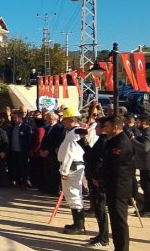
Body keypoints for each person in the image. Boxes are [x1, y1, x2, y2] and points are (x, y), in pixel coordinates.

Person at [93, 115, 134, 251]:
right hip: (113, 185)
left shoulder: (121, 142)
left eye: (108, 126)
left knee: (119, 222)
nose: (106, 129)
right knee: (116, 222)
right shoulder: (114, 141)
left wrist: (99, 177)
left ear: (115, 127)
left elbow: (113, 165)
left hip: (119, 187)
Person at [79, 117, 109, 248]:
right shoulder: (100, 141)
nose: (95, 129)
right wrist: (82, 140)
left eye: (97, 127)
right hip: (93, 177)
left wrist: (97, 177)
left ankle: (104, 239)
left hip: (98, 180)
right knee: (97, 209)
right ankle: (101, 235)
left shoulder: (104, 141)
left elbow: (94, 158)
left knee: (100, 209)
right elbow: (90, 154)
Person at [57, 105, 86, 234]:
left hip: (72, 167)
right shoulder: (72, 132)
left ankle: (79, 226)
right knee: (72, 195)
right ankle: (77, 223)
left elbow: (70, 152)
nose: (63, 122)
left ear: (71, 120)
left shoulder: (75, 132)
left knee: (74, 195)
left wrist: (64, 171)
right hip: (72, 166)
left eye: (65, 119)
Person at [131, 114, 150, 216]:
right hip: (143, 165)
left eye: (137, 121)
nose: (136, 123)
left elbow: (145, 148)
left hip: (147, 165)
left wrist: (133, 140)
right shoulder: (143, 132)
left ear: (144, 122)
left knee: (147, 187)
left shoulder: (147, 133)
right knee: (145, 186)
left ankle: (148, 209)